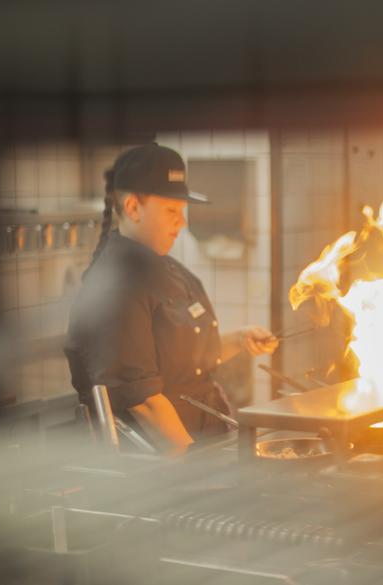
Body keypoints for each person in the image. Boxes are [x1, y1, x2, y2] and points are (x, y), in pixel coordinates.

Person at [64, 143, 278, 456]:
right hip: (164, 463)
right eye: (171, 211)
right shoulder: (117, 286)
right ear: (134, 208)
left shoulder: (164, 267)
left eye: (182, 211)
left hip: (206, 440)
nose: (183, 222)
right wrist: (199, 466)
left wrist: (241, 339)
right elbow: (144, 401)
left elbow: (186, 355)